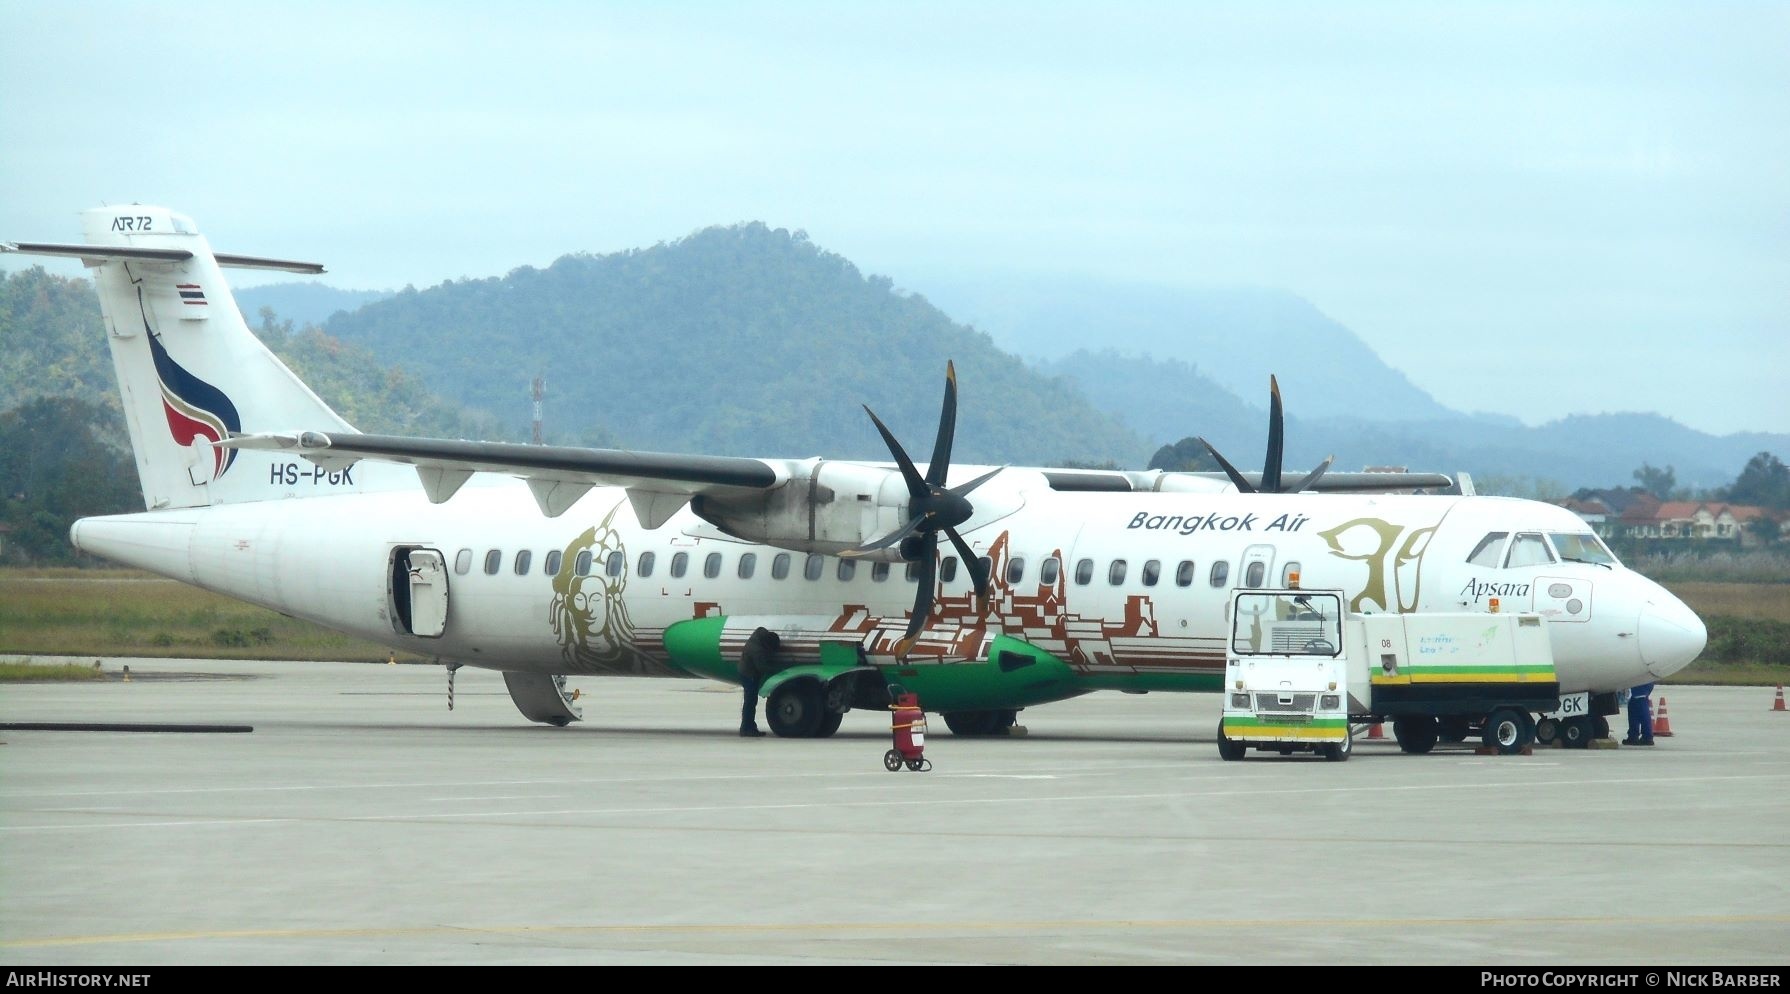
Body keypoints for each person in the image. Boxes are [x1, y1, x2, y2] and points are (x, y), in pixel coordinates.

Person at [738, 627, 780, 736]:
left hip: (747, 672)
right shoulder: (757, 650)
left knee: (750, 702)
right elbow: (762, 667)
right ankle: (746, 729)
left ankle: (749, 727)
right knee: (750, 702)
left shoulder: (760, 638)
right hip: (749, 675)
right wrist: (777, 670)